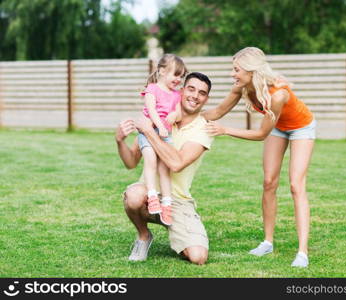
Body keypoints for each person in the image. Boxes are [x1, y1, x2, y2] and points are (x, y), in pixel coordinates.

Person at [203, 47, 316, 268]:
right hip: (277, 127)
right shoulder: (241, 87)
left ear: (251, 69)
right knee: (268, 182)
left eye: (236, 69)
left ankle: (302, 252)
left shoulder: (278, 94)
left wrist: (225, 130)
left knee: (296, 185)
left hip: (301, 127)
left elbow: (261, 134)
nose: (232, 74)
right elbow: (216, 112)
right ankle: (267, 242)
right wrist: (181, 119)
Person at [116, 72, 237, 264]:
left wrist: (149, 131)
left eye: (202, 93)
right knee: (134, 195)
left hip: (177, 201)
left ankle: (179, 235)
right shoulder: (158, 118)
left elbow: (177, 163)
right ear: (180, 91)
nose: (195, 96)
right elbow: (131, 162)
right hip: (150, 195)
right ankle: (143, 236)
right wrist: (119, 140)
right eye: (191, 89)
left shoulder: (203, 128)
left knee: (198, 257)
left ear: (206, 99)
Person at [138, 53, 187, 226]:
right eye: (176, 75)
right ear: (162, 71)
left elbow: (179, 113)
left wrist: (175, 115)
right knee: (150, 161)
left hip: (165, 135)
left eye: (181, 76)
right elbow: (151, 110)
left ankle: (166, 203)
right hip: (149, 132)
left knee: (165, 169)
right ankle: (152, 196)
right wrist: (160, 125)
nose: (179, 79)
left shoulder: (176, 95)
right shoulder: (152, 89)